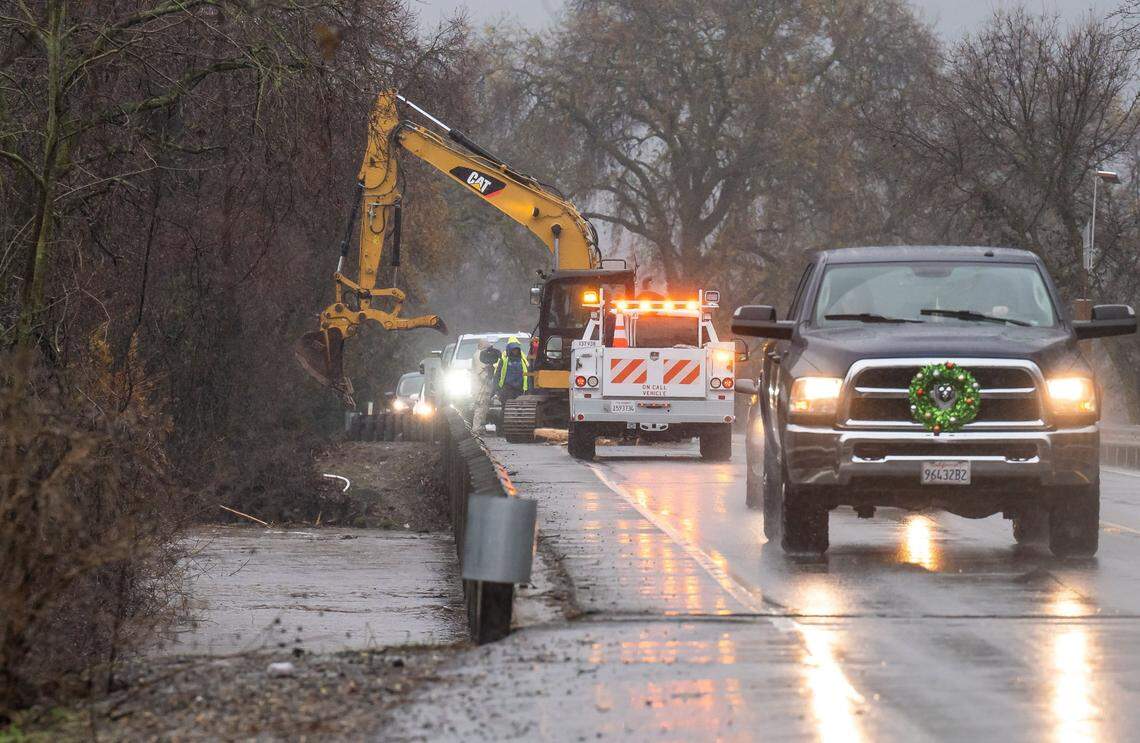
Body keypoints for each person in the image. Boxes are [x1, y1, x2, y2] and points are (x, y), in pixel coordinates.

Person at [470, 343, 499, 433]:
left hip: (481, 387)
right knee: (480, 407)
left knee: (483, 408)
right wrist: (489, 375)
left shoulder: (477, 354)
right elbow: (481, 372)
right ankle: (476, 428)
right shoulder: (479, 355)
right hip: (481, 387)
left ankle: (480, 427)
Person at [496, 336, 530, 404]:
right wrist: (497, 388)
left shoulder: (523, 359)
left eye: (516, 350)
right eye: (513, 350)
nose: (515, 352)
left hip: (519, 389)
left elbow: (527, 374)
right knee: (506, 408)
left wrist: (528, 389)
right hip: (507, 388)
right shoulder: (505, 359)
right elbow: (498, 373)